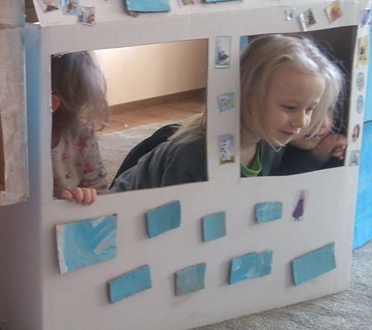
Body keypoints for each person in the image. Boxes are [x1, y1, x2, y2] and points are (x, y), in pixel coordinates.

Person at [111, 34, 343, 192]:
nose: (302, 121)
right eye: (290, 107)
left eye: (310, 109)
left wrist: (316, 155)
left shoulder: (268, 142)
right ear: (249, 95)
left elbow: (270, 189)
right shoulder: (195, 152)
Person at [51, 52, 109, 205]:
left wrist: (86, 195)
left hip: (68, 214)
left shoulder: (83, 138)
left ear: (52, 103)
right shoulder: (16, 143)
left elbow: (100, 191)